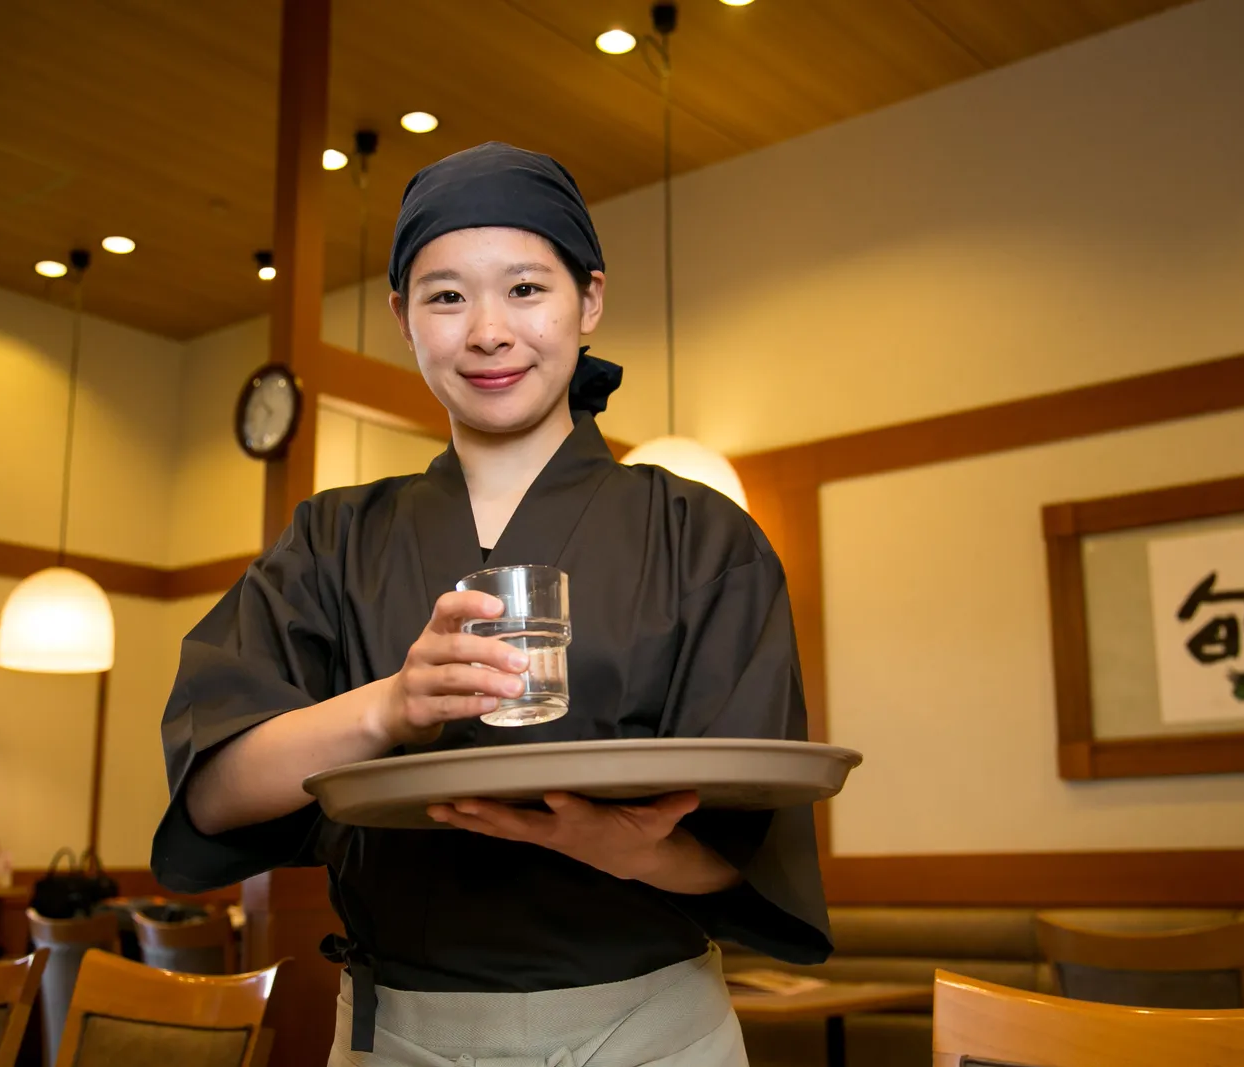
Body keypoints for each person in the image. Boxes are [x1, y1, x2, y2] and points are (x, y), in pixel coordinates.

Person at [152, 141, 831, 1066]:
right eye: (445, 296)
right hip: (394, 1036)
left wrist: (628, 846)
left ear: (589, 300)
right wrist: (388, 707)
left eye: (525, 289)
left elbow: (750, 841)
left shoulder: (702, 537)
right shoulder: (332, 538)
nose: (488, 332)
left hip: (648, 1032)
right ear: (402, 317)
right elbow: (215, 789)